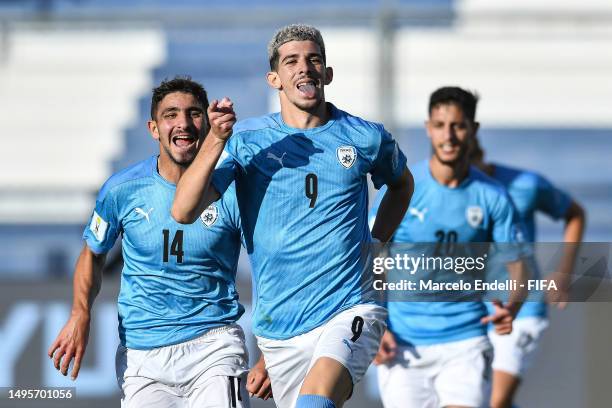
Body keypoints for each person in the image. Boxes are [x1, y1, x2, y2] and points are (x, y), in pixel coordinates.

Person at [172, 24, 413, 408]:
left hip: (352, 307)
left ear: (327, 74)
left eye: (313, 59)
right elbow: (183, 210)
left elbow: (402, 185)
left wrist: (377, 244)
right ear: (274, 79)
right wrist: (216, 139)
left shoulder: (365, 137)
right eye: (292, 61)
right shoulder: (248, 142)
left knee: (314, 403)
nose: (304, 68)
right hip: (279, 331)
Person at [48, 76, 270, 407]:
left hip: (214, 346)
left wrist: (269, 347)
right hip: (143, 355)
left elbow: (268, 266)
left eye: (194, 113)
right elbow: (93, 254)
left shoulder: (233, 189)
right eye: (171, 115)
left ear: (208, 123)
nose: (183, 123)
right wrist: (80, 313)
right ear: (154, 128)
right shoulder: (122, 190)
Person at [372, 86, 526, 408]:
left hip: (466, 343)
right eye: (440, 125)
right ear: (428, 128)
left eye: (458, 125)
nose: (449, 136)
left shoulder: (493, 197)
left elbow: (518, 270)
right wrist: (376, 324)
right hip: (403, 345)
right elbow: (370, 259)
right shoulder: (405, 190)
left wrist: (510, 307)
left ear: (473, 130)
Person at [468, 90, 586, 408]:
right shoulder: (443, 191)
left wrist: (564, 271)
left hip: (523, 308)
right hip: (472, 311)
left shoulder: (525, 185)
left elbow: (575, 214)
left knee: (495, 401)